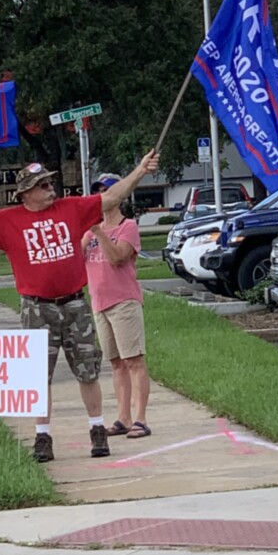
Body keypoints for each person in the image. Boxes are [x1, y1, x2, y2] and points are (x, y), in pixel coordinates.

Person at [0, 150, 160, 462]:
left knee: (87, 370)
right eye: (42, 185)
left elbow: (111, 198)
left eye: (50, 182)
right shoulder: (8, 220)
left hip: (75, 302)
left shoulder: (72, 208)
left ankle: (96, 429)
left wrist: (140, 170)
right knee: (38, 376)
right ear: (25, 193)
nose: (50, 188)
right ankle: (43, 436)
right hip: (36, 307)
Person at [82, 173, 151, 439]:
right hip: (99, 302)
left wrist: (99, 230)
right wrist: (87, 234)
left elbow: (118, 258)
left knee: (133, 360)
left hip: (123, 301)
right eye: (98, 191)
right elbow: (77, 260)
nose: (102, 195)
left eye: (107, 190)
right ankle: (123, 417)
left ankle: (141, 418)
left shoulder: (127, 226)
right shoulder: (89, 231)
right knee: (116, 363)